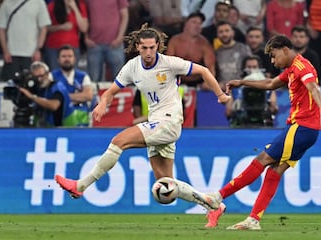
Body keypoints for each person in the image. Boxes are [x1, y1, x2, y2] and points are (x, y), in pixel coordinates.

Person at [55, 24, 231, 210]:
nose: (148, 52)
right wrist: (102, 103)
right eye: (144, 48)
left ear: (158, 46)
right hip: (155, 122)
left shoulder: (169, 63)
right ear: (137, 47)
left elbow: (203, 71)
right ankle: (212, 203)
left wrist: (220, 95)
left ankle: (80, 185)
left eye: (152, 48)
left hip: (169, 121)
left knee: (118, 141)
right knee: (165, 184)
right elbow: (112, 91)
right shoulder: (132, 67)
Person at [194, 35, 321, 229]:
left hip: (301, 127)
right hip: (305, 129)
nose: (273, 61)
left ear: (285, 49)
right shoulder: (292, 68)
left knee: (262, 159)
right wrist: (243, 82)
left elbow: (313, 86)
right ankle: (253, 219)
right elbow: (270, 84)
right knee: (274, 170)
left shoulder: (302, 67)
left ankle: (217, 197)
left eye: (274, 56)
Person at [0, 0, 51, 81]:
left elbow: (43, 28)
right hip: (12, 54)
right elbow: (1, 29)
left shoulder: (39, 2)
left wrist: (38, 49)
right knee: (11, 85)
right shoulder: (7, 3)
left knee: (33, 84)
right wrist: (5, 51)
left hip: (31, 54)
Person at [166, 12, 216, 90]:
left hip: (198, 83)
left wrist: (208, 83)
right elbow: (168, 65)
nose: (197, 26)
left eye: (200, 23)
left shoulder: (204, 44)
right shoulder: (174, 41)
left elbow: (211, 68)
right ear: (186, 23)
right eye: (194, 22)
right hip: (178, 81)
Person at [225, 55, 278, 128]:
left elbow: (274, 109)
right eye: (249, 67)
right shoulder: (235, 86)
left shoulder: (268, 86)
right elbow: (228, 112)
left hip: (262, 124)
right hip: (241, 124)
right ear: (243, 69)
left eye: (254, 67)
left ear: (259, 68)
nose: (252, 70)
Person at [18, 61, 75, 127]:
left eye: (41, 76)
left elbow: (54, 106)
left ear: (48, 74)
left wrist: (32, 97)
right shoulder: (37, 87)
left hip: (65, 128)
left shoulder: (58, 87)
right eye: (36, 77)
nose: (39, 79)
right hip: (46, 128)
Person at [85, 0, 129, 82]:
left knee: (119, 81)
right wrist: (85, 37)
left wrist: (120, 37)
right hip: (94, 44)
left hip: (115, 44)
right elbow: (84, 14)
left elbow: (124, 15)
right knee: (93, 82)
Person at [51, 44, 93, 126]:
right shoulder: (52, 76)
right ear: (58, 59)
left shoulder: (83, 76)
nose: (67, 59)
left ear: (74, 59)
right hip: (60, 115)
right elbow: (50, 98)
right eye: (63, 56)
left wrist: (62, 97)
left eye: (70, 56)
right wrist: (78, 96)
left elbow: (88, 96)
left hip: (80, 115)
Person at [44, 0, 88, 70]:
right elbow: (46, 28)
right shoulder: (52, 6)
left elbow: (84, 28)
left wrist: (75, 8)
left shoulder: (81, 6)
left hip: (73, 47)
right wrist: (61, 27)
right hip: (54, 47)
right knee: (55, 74)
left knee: (73, 74)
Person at [215, 21, 251, 89]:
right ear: (217, 35)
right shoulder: (216, 53)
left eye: (227, 31)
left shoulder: (243, 49)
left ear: (232, 32)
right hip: (223, 90)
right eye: (221, 32)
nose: (224, 34)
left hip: (241, 89)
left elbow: (251, 69)